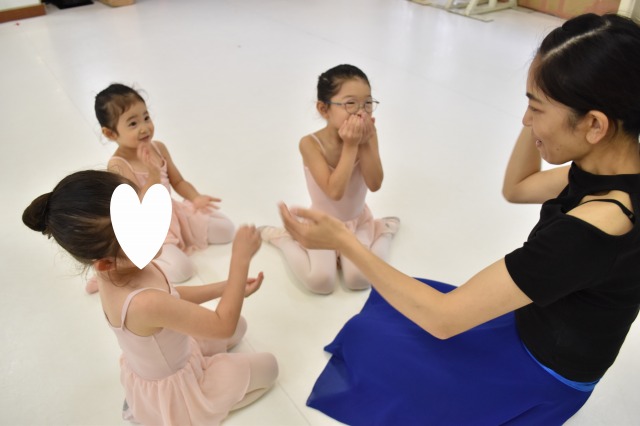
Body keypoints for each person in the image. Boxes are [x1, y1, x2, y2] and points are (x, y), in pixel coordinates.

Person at [280, 13, 640, 425]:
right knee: (383, 329)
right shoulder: (611, 169)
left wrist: (344, 242)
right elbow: (519, 187)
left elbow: (444, 319)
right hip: (537, 321)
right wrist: (545, 100)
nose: (525, 120)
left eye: (535, 108)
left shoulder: (597, 226)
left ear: (594, 124)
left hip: (537, 371)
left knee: (383, 346)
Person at [23, 170, 278, 425]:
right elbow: (222, 326)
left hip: (175, 351)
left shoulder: (118, 268)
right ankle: (188, 414)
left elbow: (172, 297)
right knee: (270, 367)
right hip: (177, 386)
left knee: (241, 325)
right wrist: (240, 261)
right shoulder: (143, 302)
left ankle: (169, 399)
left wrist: (226, 288)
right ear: (105, 263)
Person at [261, 64, 399, 294]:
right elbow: (334, 191)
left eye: (367, 103)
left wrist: (365, 143)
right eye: (350, 103)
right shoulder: (310, 144)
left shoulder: (368, 134)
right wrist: (351, 146)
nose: (361, 112)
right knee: (320, 282)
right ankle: (283, 240)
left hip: (357, 222)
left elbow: (375, 184)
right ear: (324, 109)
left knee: (360, 280)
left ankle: (383, 231)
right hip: (322, 224)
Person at [89, 83, 235, 291]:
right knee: (183, 270)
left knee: (227, 230)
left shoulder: (158, 147)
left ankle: (180, 239)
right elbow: (139, 208)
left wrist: (195, 198)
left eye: (146, 117)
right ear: (111, 134)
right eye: (133, 123)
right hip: (150, 227)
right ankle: (127, 265)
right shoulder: (118, 165)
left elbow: (178, 181)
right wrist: (153, 174)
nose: (144, 127)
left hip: (174, 215)